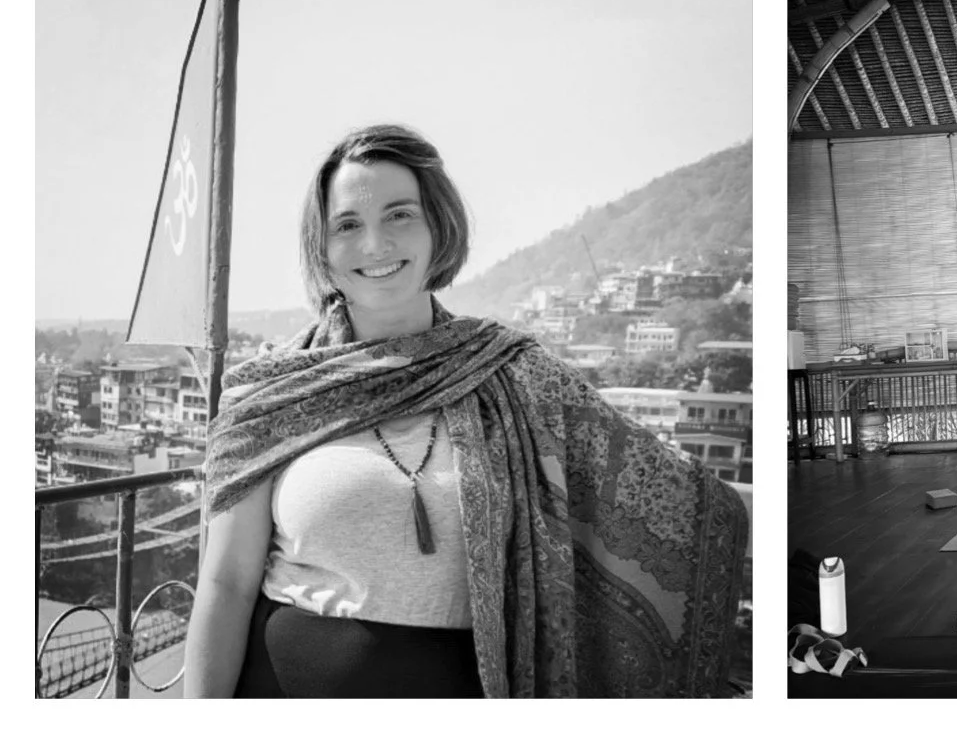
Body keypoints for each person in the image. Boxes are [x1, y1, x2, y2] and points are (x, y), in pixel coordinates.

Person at [183, 125, 746, 698]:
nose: (375, 244)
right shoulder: (273, 396)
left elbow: (673, 504)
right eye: (347, 225)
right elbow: (226, 584)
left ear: (438, 228)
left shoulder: (515, 374)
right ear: (321, 248)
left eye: (400, 215)